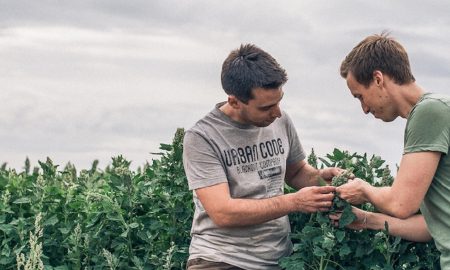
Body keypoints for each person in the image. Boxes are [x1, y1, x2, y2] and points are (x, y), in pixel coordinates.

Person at [182, 44, 341, 270]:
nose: (277, 112)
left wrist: (320, 177)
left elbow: (295, 172)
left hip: (279, 259)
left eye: (279, 101)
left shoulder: (280, 119)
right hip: (221, 259)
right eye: (266, 107)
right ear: (235, 101)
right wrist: (295, 201)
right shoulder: (202, 137)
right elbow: (222, 212)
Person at [335, 33, 450, 268]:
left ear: (378, 79)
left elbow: (401, 204)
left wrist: (364, 188)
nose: (365, 109)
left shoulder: (429, 112)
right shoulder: (437, 110)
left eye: (360, 96)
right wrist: (366, 219)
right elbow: (433, 227)